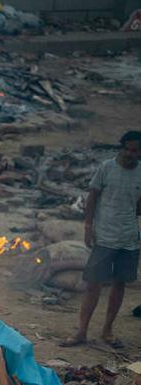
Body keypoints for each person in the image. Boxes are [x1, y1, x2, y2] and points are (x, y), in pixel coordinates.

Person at [63, 131, 141, 348]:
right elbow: (92, 198)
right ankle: (81, 331)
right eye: (127, 149)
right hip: (105, 236)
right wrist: (88, 227)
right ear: (122, 148)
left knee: (120, 283)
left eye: (135, 151)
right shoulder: (107, 168)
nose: (130, 154)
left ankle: (107, 330)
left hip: (129, 238)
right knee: (93, 284)